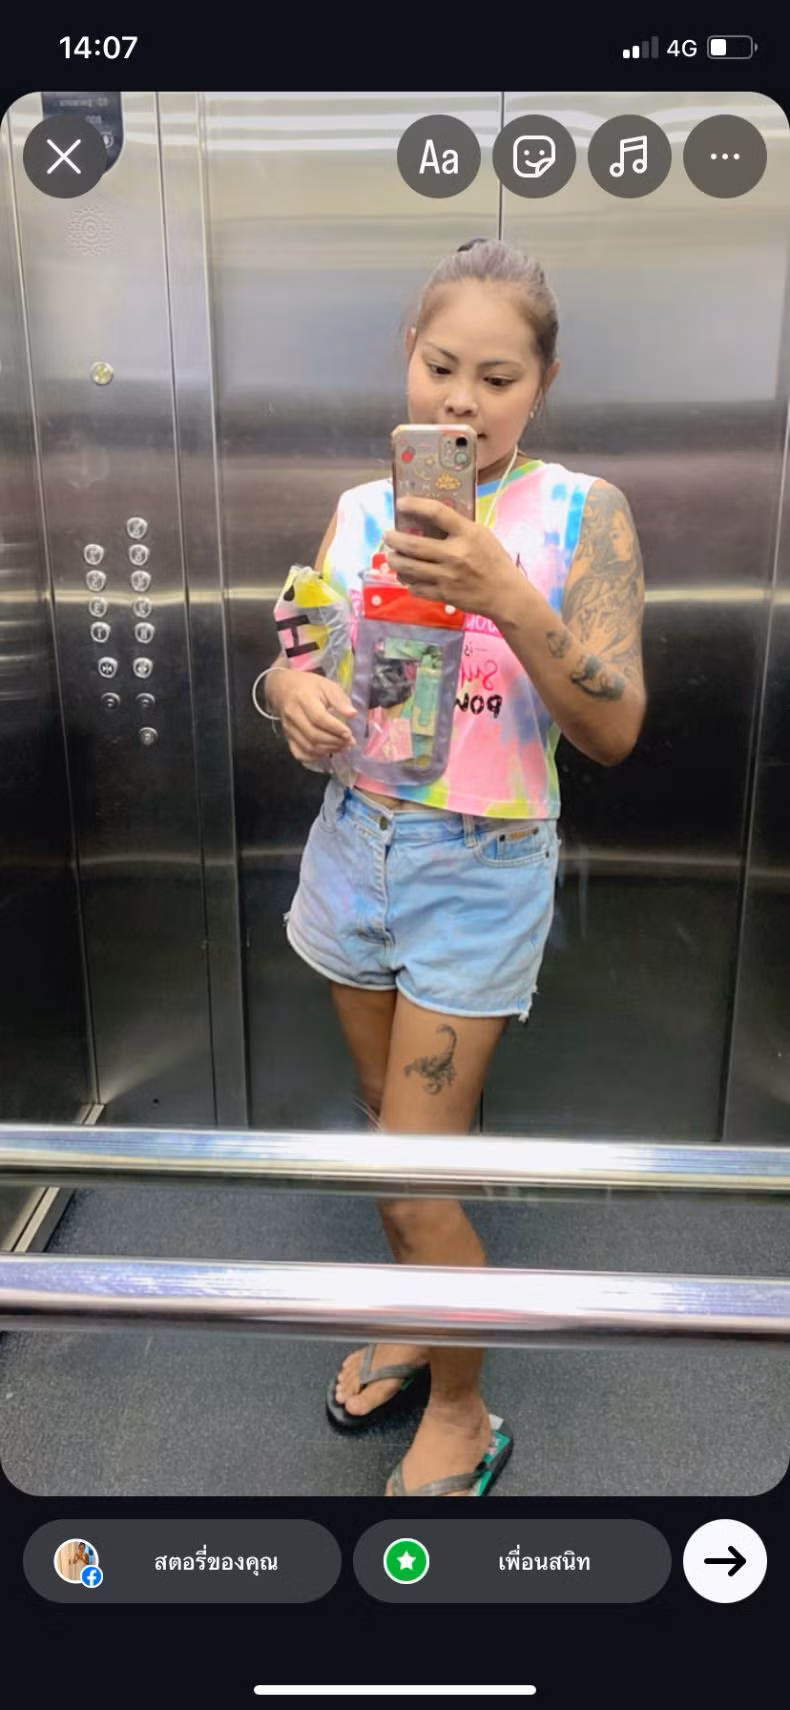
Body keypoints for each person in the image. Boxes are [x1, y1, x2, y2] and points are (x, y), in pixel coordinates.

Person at [263, 238, 647, 1496]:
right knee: (387, 1131)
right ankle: (420, 1317)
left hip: (478, 868)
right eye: (440, 368)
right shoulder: (360, 511)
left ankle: (466, 1408)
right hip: (353, 845)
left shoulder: (582, 513)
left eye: (496, 378)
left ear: (543, 385)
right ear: (408, 359)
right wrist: (287, 693)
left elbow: (614, 727)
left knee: (414, 1170)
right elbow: (306, 655)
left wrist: (502, 592)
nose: (461, 403)